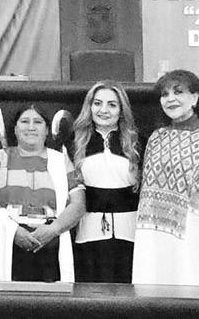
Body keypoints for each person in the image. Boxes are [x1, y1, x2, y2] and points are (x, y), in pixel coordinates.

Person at [132, 69, 199, 286]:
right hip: (154, 243)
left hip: (197, 242)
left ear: (195, 98)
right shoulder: (156, 138)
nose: (170, 98)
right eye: (165, 94)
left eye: (178, 92)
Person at [0, 105, 84, 282]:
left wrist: (52, 230)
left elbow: (78, 204)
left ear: (47, 130)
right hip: (7, 244)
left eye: (37, 122)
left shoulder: (61, 161)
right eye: (24, 121)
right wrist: (14, 232)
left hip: (50, 246)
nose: (31, 127)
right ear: (15, 129)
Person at [69, 81, 140, 283]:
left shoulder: (138, 143)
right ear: (89, 107)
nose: (104, 110)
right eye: (98, 103)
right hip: (87, 233)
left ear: (121, 110)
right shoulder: (73, 142)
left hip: (130, 234)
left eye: (112, 105)